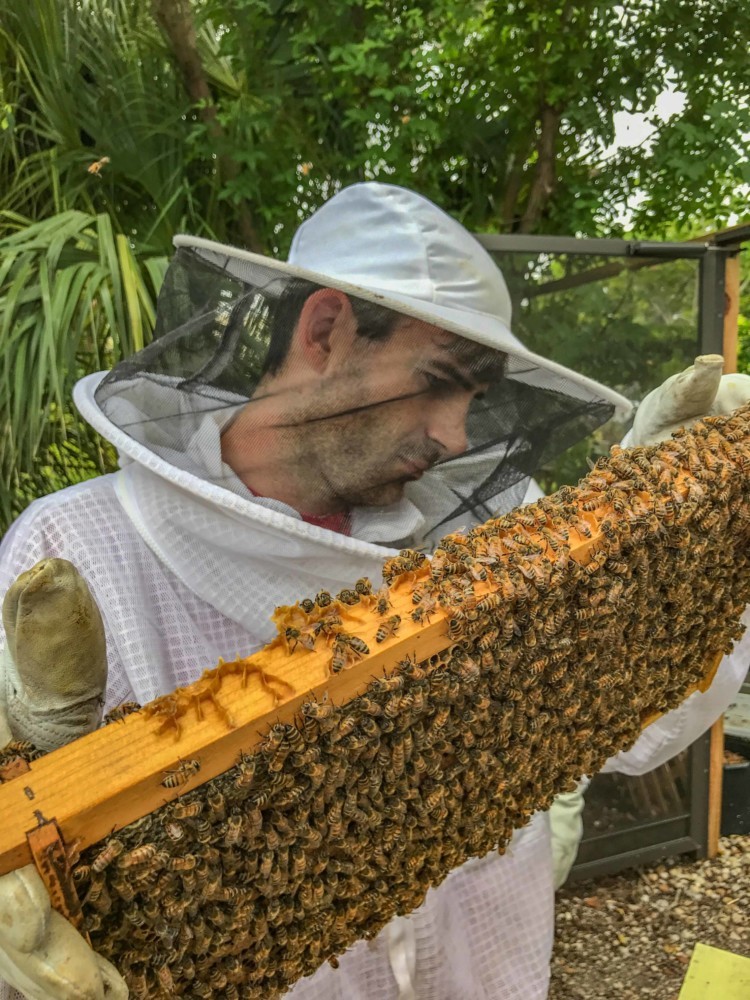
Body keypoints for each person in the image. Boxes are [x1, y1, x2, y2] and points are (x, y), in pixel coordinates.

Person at [1, 182, 749, 1000]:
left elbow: (639, 726)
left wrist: (671, 539)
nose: (456, 435)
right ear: (326, 330)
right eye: (437, 380)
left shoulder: (493, 533)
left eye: (474, 398)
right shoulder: (71, 551)